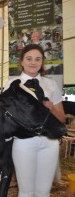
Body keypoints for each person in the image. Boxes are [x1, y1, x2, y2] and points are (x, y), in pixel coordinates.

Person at [4, 44, 66, 196]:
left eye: (38, 59)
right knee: (26, 191)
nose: (33, 62)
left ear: (42, 62)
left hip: (49, 142)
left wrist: (50, 108)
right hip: (24, 141)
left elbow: (62, 118)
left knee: (43, 191)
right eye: (29, 58)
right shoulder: (12, 84)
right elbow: (5, 116)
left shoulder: (51, 84)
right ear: (21, 61)